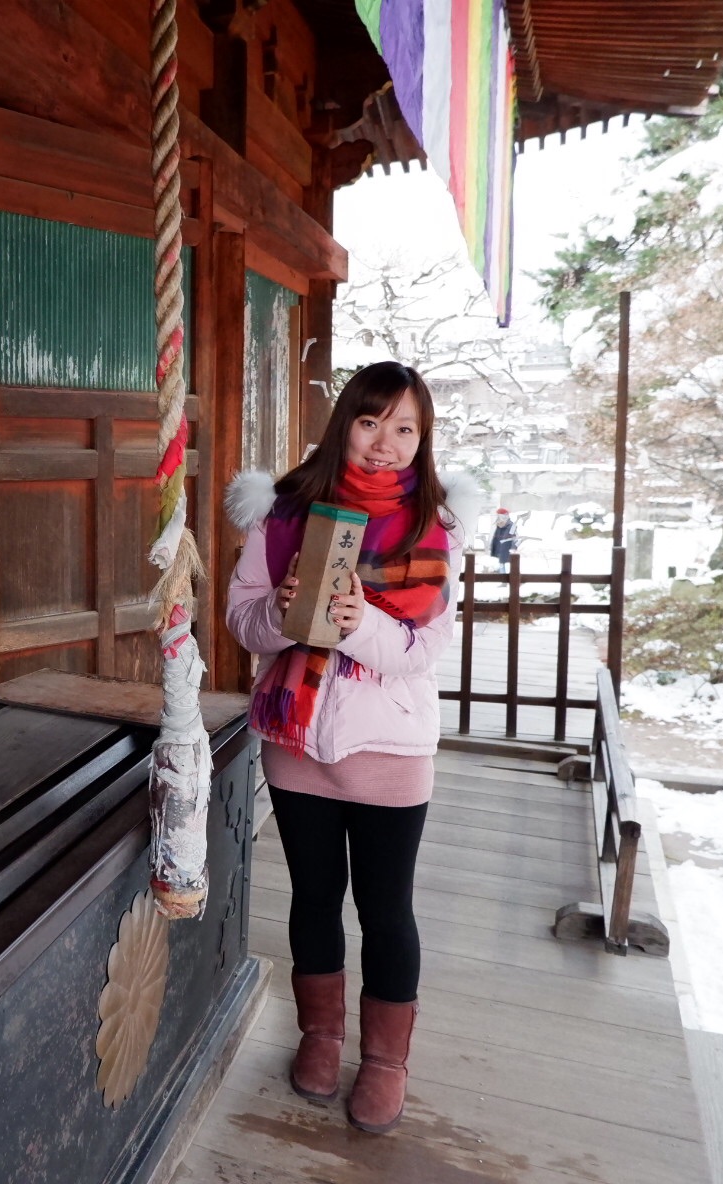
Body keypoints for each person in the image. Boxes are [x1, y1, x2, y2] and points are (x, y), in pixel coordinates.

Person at [223, 361, 474, 1135]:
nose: (386, 443)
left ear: (422, 439)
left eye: (406, 428)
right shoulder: (286, 512)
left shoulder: (438, 527)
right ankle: (321, 1036)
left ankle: (387, 1061)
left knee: (386, 908)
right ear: (345, 426)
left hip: (390, 752)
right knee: (313, 897)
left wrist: (355, 616)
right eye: (372, 423)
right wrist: (291, 607)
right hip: (298, 748)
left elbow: (416, 651)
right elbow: (242, 622)